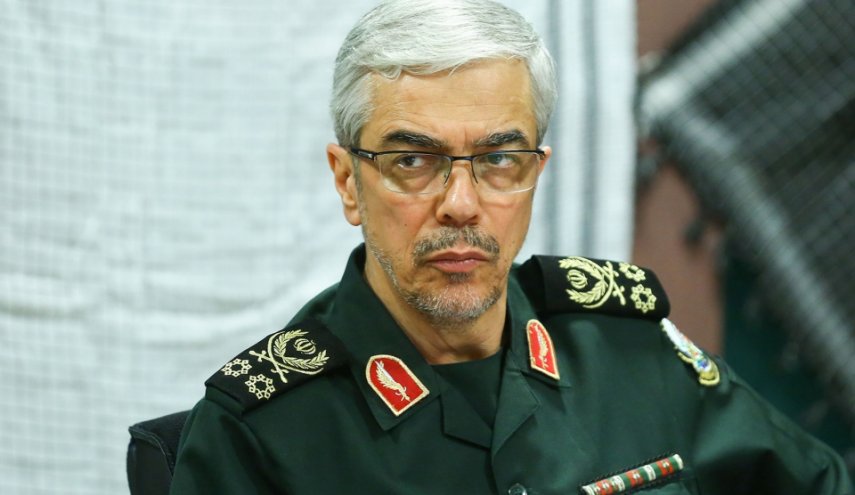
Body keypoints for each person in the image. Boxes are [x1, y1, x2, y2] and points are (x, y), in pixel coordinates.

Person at [169, 1, 853, 493]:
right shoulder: (260, 432)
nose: (461, 204)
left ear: (534, 174)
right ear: (349, 182)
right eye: (413, 161)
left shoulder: (626, 351)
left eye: (498, 160)